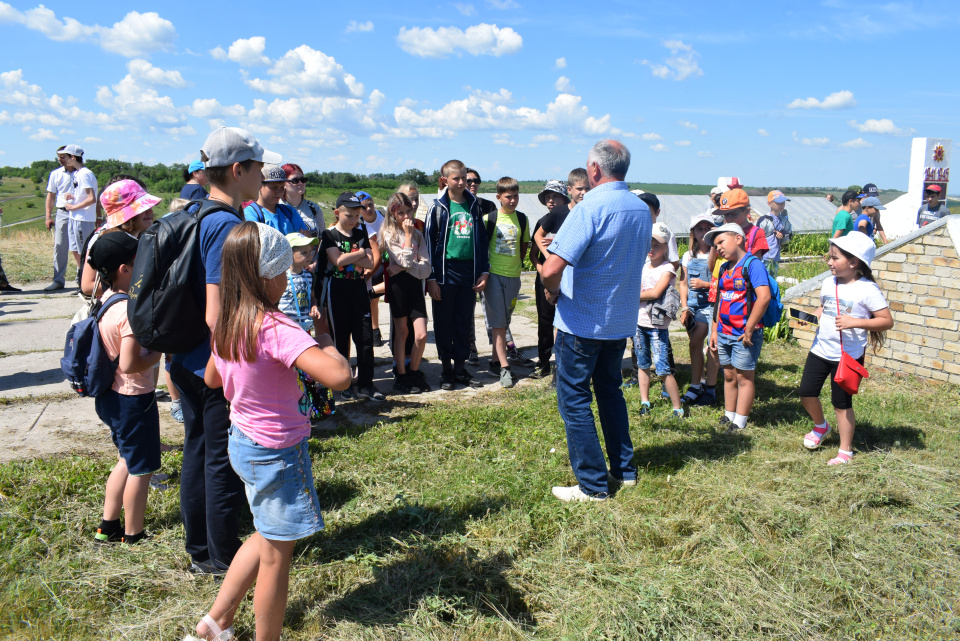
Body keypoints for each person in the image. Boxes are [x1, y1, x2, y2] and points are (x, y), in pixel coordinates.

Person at [189, 222, 351, 641]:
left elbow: (211, 378)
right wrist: (326, 339)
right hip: (278, 453)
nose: (288, 278)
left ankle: (215, 622)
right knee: (277, 558)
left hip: (243, 442)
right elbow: (339, 377)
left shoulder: (228, 320)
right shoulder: (275, 326)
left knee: (265, 534)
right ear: (267, 277)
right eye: (283, 271)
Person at [171, 126, 281, 576]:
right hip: (212, 363)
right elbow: (218, 313)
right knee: (219, 461)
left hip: (186, 357)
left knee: (198, 451)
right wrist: (231, 369)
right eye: (258, 167)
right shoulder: (225, 225)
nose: (263, 175)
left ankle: (199, 547)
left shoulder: (196, 212)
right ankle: (221, 557)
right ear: (238, 170)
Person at [541, 140, 650, 502]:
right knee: (610, 392)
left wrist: (552, 291)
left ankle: (592, 484)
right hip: (618, 320)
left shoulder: (589, 207)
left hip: (582, 322)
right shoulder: (640, 209)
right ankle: (624, 469)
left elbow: (551, 269)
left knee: (574, 399)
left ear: (594, 169)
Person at [87, 232, 162, 545]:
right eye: (139, 262)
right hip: (133, 399)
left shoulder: (105, 301)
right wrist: (159, 350)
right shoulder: (127, 311)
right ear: (125, 269)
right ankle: (133, 534)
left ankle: (108, 526)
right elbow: (130, 363)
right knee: (141, 470)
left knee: (126, 460)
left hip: (110, 397)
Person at [798, 232, 893, 465]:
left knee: (841, 404)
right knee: (806, 393)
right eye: (829, 257)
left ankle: (845, 451)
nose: (829, 261)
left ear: (853, 262)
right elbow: (825, 307)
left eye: (835, 258)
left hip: (847, 357)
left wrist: (855, 322)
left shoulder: (867, 289)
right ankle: (821, 426)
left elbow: (886, 321)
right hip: (820, 350)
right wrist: (812, 317)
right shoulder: (828, 282)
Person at [424, 160, 490, 391]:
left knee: (463, 321)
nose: (462, 182)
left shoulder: (474, 206)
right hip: (445, 272)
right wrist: (431, 278)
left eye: (465, 178)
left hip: (468, 272)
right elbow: (428, 244)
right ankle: (446, 370)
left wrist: (484, 271)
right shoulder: (437, 208)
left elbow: (482, 241)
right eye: (457, 178)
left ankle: (461, 369)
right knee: (444, 322)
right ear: (445, 180)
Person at [706, 223, 772, 435]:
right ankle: (729, 415)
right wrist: (714, 331)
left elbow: (764, 297)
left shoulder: (753, 265)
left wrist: (749, 328)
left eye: (721, 242)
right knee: (728, 375)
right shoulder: (724, 267)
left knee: (744, 377)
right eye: (715, 245)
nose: (718, 248)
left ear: (738, 238)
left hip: (744, 335)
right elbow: (719, 301)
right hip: (724, 332)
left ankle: (740, 421)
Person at [319, 192, 385, 401]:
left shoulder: (361, 231)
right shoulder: (329, 234)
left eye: (357, 216)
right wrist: (360, 254)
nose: (354, 220)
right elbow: (337, 261)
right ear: (337, 213)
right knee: (341, 340)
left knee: (365, 338)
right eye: (349, 215)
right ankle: (344, 383)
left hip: (358, 289)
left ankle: (366, 384)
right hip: (337, 290)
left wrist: (350, 257)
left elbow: (370, 262)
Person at [529, 176, 582, 381]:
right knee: (545, 320)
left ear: (565, 196)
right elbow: (533, 254)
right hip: (546, 277)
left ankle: (564, 364)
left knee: (565, 322)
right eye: (547, 197)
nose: (551, 201)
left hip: (569, 278)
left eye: (555, 196)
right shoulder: (543, 222)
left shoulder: (577, 217)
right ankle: (543, 362)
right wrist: (544, 270)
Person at [379, 192, 431, 394]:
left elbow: (426, 268)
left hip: (415, 285)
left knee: (421, 334)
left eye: (409, 211)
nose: (406, 216)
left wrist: (402, 267)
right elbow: (408, 261)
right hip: (398, 287)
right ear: (393, 214)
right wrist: (407, 237)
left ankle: (413, 371)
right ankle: (401, 374)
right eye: (401, 213)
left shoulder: (418, 233)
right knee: (402, 332)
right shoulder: (389, 234)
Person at [482, 177, 530, 388]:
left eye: (516, 196)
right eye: (508, 197)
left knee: (504, 321)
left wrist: (516, 268)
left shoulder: (522, 219)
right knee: (499, 323)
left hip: (514, 277)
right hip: (493, 276)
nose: (512, 200)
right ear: (498, 197)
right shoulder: (488, 219)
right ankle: (505, 367)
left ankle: (494, 361)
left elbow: (523, 246)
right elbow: (481, 248)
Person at [636, 222, 683, 418]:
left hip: (656, 325)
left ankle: (677, 407)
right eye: (649, 244)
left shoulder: (668, 269)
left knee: (662, 368)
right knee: (642, 364)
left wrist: (631, 296)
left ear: (666, 247)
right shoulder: (643, 266)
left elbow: (655, 293)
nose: (651, 249)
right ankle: (644, 401)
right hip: (639, 322)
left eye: (657, 245)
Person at [678, 213, 719, 407]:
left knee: (710, 346)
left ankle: (709, 386)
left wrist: (706, 284)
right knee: (695, 345)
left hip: (712, 306)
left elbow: (723, 283)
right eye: (700, 229)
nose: (703, 232)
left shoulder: (718, 253)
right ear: (693, 232)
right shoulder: (688, 255)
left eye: (707, 228)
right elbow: (683, 283)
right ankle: (697, 383)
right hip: (694, 306)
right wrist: (684, 307)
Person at [464, 168, 498, 366]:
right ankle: (471, 346)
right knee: (468, 310)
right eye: (469, 180)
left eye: (476, 181)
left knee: (492, 308)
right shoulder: (459, 205)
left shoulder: (488, 206)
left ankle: (498, 348)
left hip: (486, 263)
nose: (472, 184)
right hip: (467, 265)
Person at [61, 144, 100, 272]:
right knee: (74, 249)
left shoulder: (84, 174)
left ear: (73, 157)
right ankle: (81, 275)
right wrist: (73, 197)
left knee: (84, 251)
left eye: (66, 157)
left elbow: (91, 198)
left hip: (83, 219)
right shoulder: (78, 173)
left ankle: (87, 276)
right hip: (75, 217)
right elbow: (84, 196)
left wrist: (73, 206)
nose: (64, 160)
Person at [44, 146, 76, 291]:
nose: (59, 159)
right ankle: (58, 280)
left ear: (71, 157)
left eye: (62, 157)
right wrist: (48, 216)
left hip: (80, 212)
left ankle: (82, 280)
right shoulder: (56, 174)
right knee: (60, 246)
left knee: (81, 247)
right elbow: (51, 196)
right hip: (62, 212)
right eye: (58, 156)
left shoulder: (83, 173)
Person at [356, 191, 386, 347]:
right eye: (364, 207)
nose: (368, 209)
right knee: (373, 300)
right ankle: (375, 330)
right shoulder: (359, 223)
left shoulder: (384, 216)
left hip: (389, 259)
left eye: (370, 205)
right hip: (374, 261)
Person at [245, 165, 310, 235]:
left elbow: (307, 238)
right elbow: (254, 240)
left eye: (282, 187)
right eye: (274, 187)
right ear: (259, 186)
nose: (279, 192)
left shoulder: (289, 211)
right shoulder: (251, 213)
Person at [279, 233, 321, 333]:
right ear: (289, 254)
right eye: (304, 253)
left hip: (304, 327)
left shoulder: (310, 276)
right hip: (286, 328)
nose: (310, 255)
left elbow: (312, 297)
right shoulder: (281, 277)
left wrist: (314, 306)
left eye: (310, 251)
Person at [718, 189, 767, 259]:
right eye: (726, 215)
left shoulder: (756, 233)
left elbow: (755, 262)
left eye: (734, 214)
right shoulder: (722, 233)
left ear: (747, 211)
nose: (729, 219)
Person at [757, 190, 794, 277]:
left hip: (775, 257)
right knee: (763, 279)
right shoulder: (764, 220)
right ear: (770, 204)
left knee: (773, 280)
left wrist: (783, 235)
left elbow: (789, 234)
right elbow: (756, 237)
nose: (782, 205)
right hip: (763, 257)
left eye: (783, 202)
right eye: (779, 203)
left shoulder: (784, 220)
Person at [281, 163, 323, 233]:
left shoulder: (314, 208)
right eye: (295, 180)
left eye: (303, 180)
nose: (300, 183)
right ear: (283, 184)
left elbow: (322, 236)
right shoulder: (276, 208)